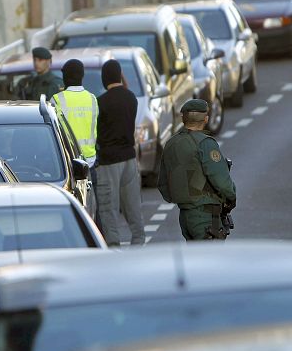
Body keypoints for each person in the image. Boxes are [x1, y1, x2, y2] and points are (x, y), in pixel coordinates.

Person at [158, 99, 237, 241]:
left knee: (195, 260)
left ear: (183, 118)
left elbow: (163, 183)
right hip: (206, 216)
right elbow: (222, 181)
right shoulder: (205, 143)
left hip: (185, 215)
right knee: (210, 260)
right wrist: (231, 197)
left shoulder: (171, 143)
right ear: (205, 119)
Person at [95, 59, 145, 246]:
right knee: (132, 204)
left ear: (104, 77)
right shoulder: (131, 98)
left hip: (109, 161)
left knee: (109, 206)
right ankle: (139, 239)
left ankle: (114, 244)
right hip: (130, 159)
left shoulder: (101, 102)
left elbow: (97, 132)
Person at [51, 59, 98, 165]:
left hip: (67, 160)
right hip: (90, 161)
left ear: (65, 77)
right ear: (82, 76)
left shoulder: (57, 99)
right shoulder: (92, 99)